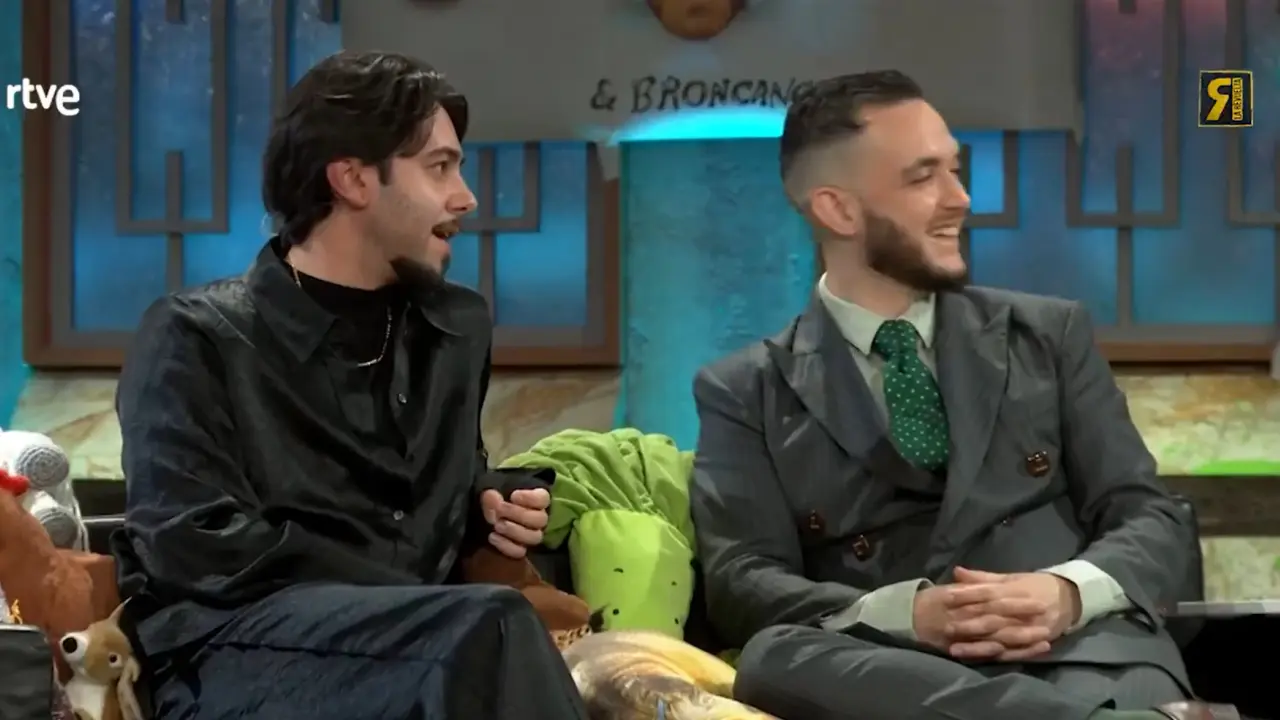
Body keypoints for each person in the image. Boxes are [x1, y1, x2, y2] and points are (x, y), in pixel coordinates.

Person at [690, 71, 1239, 720]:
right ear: (837, 210)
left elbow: (1150, 516)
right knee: (772, 658)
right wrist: (910, 613)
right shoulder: (745, 389)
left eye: (955, 170)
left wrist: (1066, 592)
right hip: (900, 672)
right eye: (923, 178)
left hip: (1079, 653)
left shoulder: (1047, 334)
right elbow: (742, 582)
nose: (960, 199)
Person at [111, 51, 588, 720]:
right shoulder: (196, 335)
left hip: (427, 639)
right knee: (489, 627)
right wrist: (405, 595)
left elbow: (426, 498)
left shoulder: (455, 326)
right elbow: (192, 545)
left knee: (479, 635)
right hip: (231, 655)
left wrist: (484, 502)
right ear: (353, 179)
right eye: (440, 167)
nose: (466, 197)